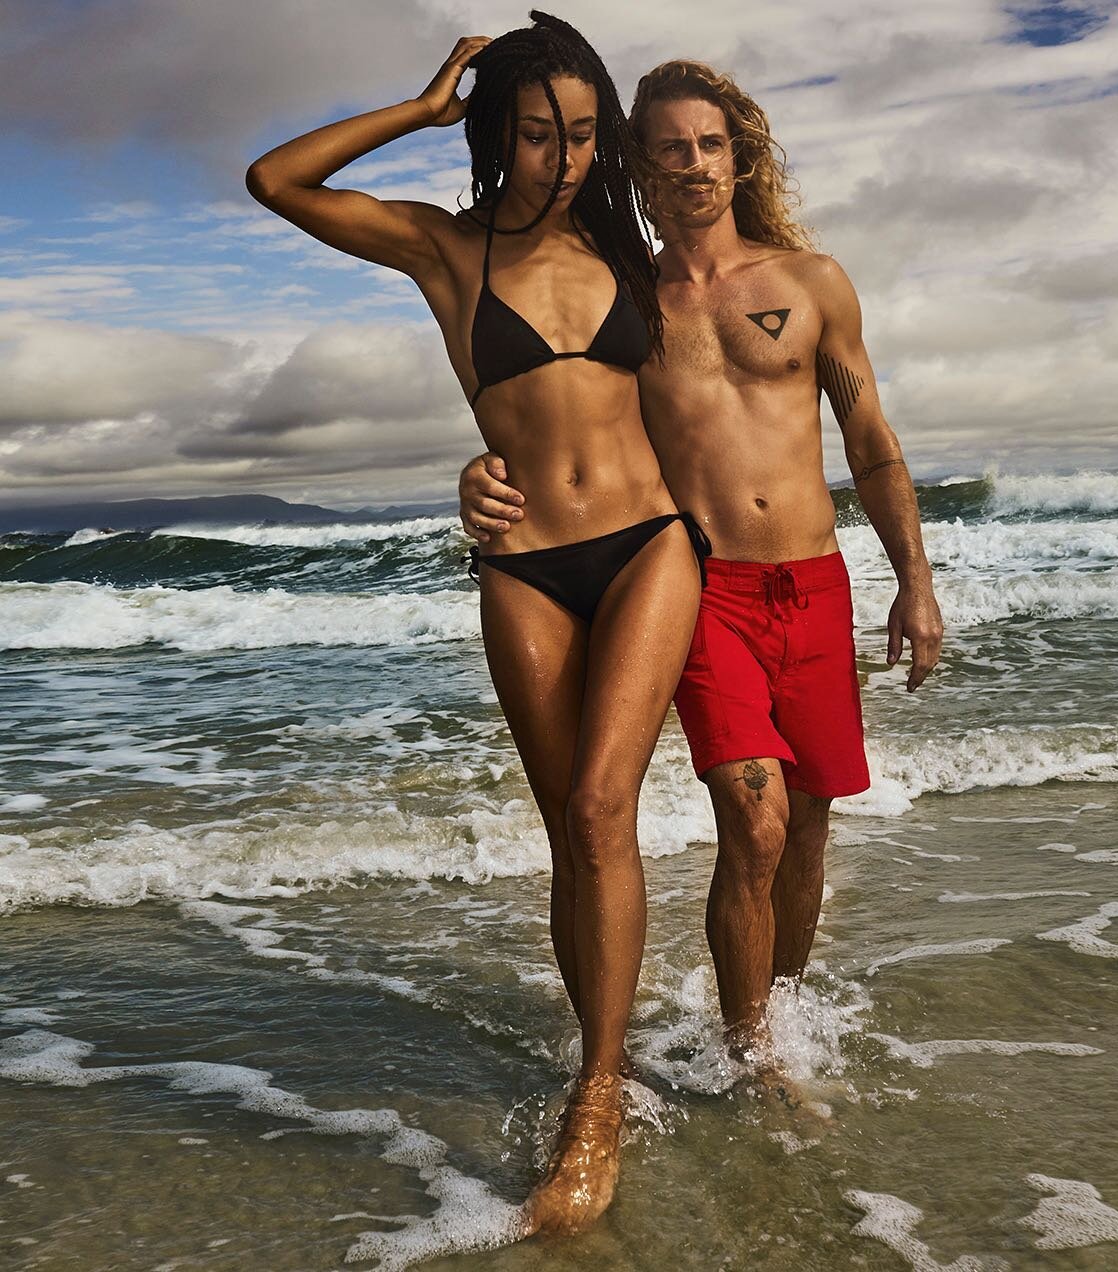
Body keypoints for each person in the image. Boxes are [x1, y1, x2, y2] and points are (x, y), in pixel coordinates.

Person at [246, 14, 710, 1236]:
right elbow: (274, 180)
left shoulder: (631, 237)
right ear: (499, 131)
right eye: (537, 131)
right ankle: (599, 1051)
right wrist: (420, 105)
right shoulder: (448, 253)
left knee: (608, 806)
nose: (563, 156)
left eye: (579, 131)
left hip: (650, 545)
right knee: (571, 828)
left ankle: (596, 1106)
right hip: (523, 564)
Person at [459, 60, 944, 1089]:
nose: (693, 164)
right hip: (704, 583)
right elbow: (553, 408)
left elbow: (871, 439)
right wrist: (482, 468)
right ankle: (753, 1050)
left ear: (740, 154)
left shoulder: (811, 284)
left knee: (806, 824)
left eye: (711, 144)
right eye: (670, 147)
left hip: (813, 585)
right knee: (755, 816)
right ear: (640, 165)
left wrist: (916, 577)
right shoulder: (624, 298)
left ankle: (778, 1005)